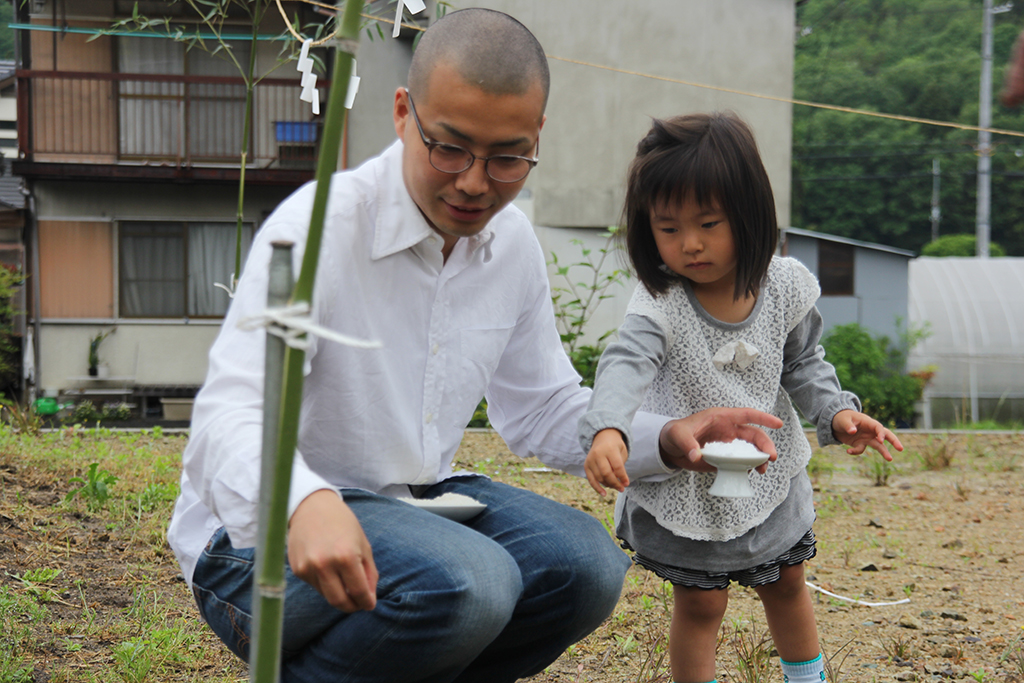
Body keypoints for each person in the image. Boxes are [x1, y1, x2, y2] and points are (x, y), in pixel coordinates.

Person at [168, 11, 785, 683]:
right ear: (404, 114)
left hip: (418, 507)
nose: (473, 182)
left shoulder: (510, 244)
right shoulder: (316, 231)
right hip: (251, 545)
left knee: (586, 566)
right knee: (472, 582)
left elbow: (544, 406)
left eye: (507, 156)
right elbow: (229, 412)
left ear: (536, 136)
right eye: (450, 147)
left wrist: (670, 437)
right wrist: (303, 502)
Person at [578, 112, 903, 683]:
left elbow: (805, 361)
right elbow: (625, 363)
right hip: (687, 478)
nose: (691, 244)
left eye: (709, 223)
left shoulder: (783, 286)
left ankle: (807, 678)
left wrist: (838, 412)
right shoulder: (660, 302)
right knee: (701, 603)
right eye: (669, 227)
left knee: (787, 582)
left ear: (749, 217)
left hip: (768, 475)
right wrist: (610, 427)